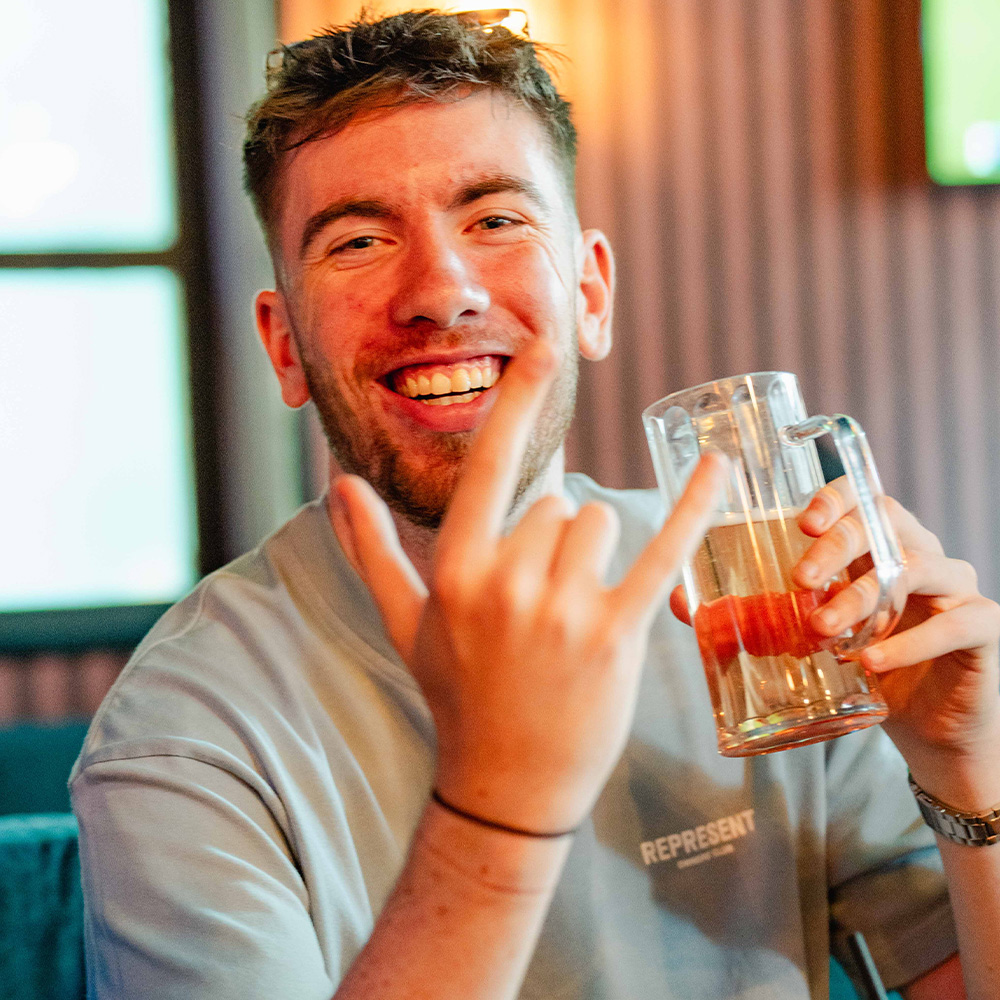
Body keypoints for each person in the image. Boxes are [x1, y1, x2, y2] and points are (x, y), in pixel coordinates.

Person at [71, 10, 1000, 999]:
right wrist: (495, 808)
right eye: (358, 240)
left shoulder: (757, 614)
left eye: (495, 220)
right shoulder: (181, 732)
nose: (441, 291)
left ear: (590, 295)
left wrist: (968, 773)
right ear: (284, 345)